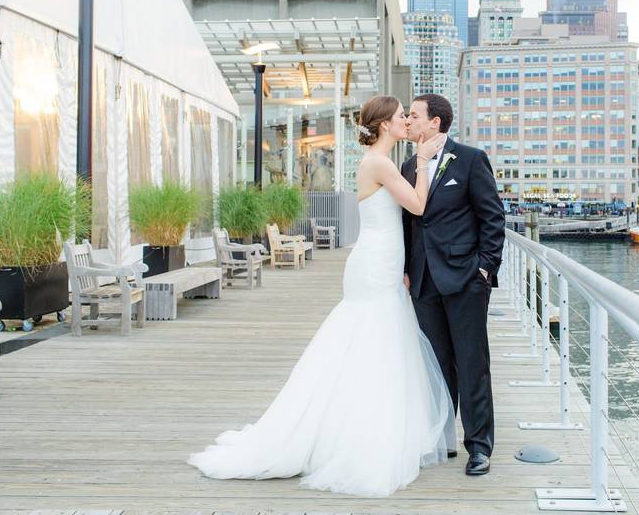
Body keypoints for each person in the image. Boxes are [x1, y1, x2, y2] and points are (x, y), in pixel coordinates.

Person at [188, 95, 455, 497]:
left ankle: (368, 427)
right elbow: (417, 205)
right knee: (373, 342)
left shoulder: (377, 162)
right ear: (384, 124)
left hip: (382, 262)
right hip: (374, 265)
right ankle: (358, 437)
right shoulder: (379, 163)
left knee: (378, 344)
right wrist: (421, 161)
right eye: (401, 116)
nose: (405, 121)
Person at [401, 93, 506, 476]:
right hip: (424, 280)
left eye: (414, 115)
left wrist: (485, 269)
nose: (408, 120)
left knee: (472, 362)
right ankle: (441, 441)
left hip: (465, 278)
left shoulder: (471, 160)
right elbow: (409, 221)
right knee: (436, 365)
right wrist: (406, 268)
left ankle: (479, 447)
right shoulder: (409, 164)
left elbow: (493, 218)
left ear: (435, 122)